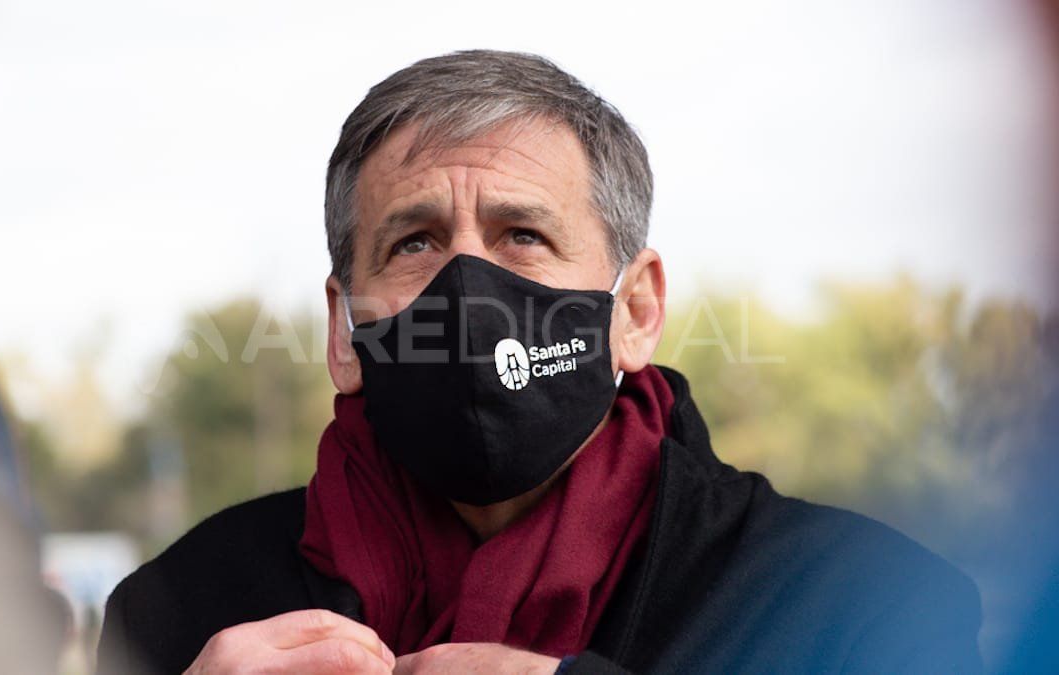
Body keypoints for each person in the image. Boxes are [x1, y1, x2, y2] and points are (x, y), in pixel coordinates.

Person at [97, 50, 982, 674]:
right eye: (414, 241)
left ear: (634, 312)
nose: (468, 287)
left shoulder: (860, 605)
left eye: (524, 235)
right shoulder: (178, 614)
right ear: (343, 332)